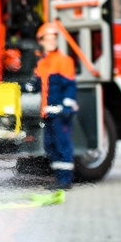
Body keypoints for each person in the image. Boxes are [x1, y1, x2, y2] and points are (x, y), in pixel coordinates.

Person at [29, 22, 78, 189]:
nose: (51, 41)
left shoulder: (64, 61)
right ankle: (59, 178)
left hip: (60, 113)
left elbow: (70, 86)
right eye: (47, 39)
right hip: (49, 113)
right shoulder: (42, 63)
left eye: (53, 38)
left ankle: (65, 180)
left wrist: (66, 107)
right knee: (50, 145)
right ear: (41, 41)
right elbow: (37, 84)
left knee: (62, 144)